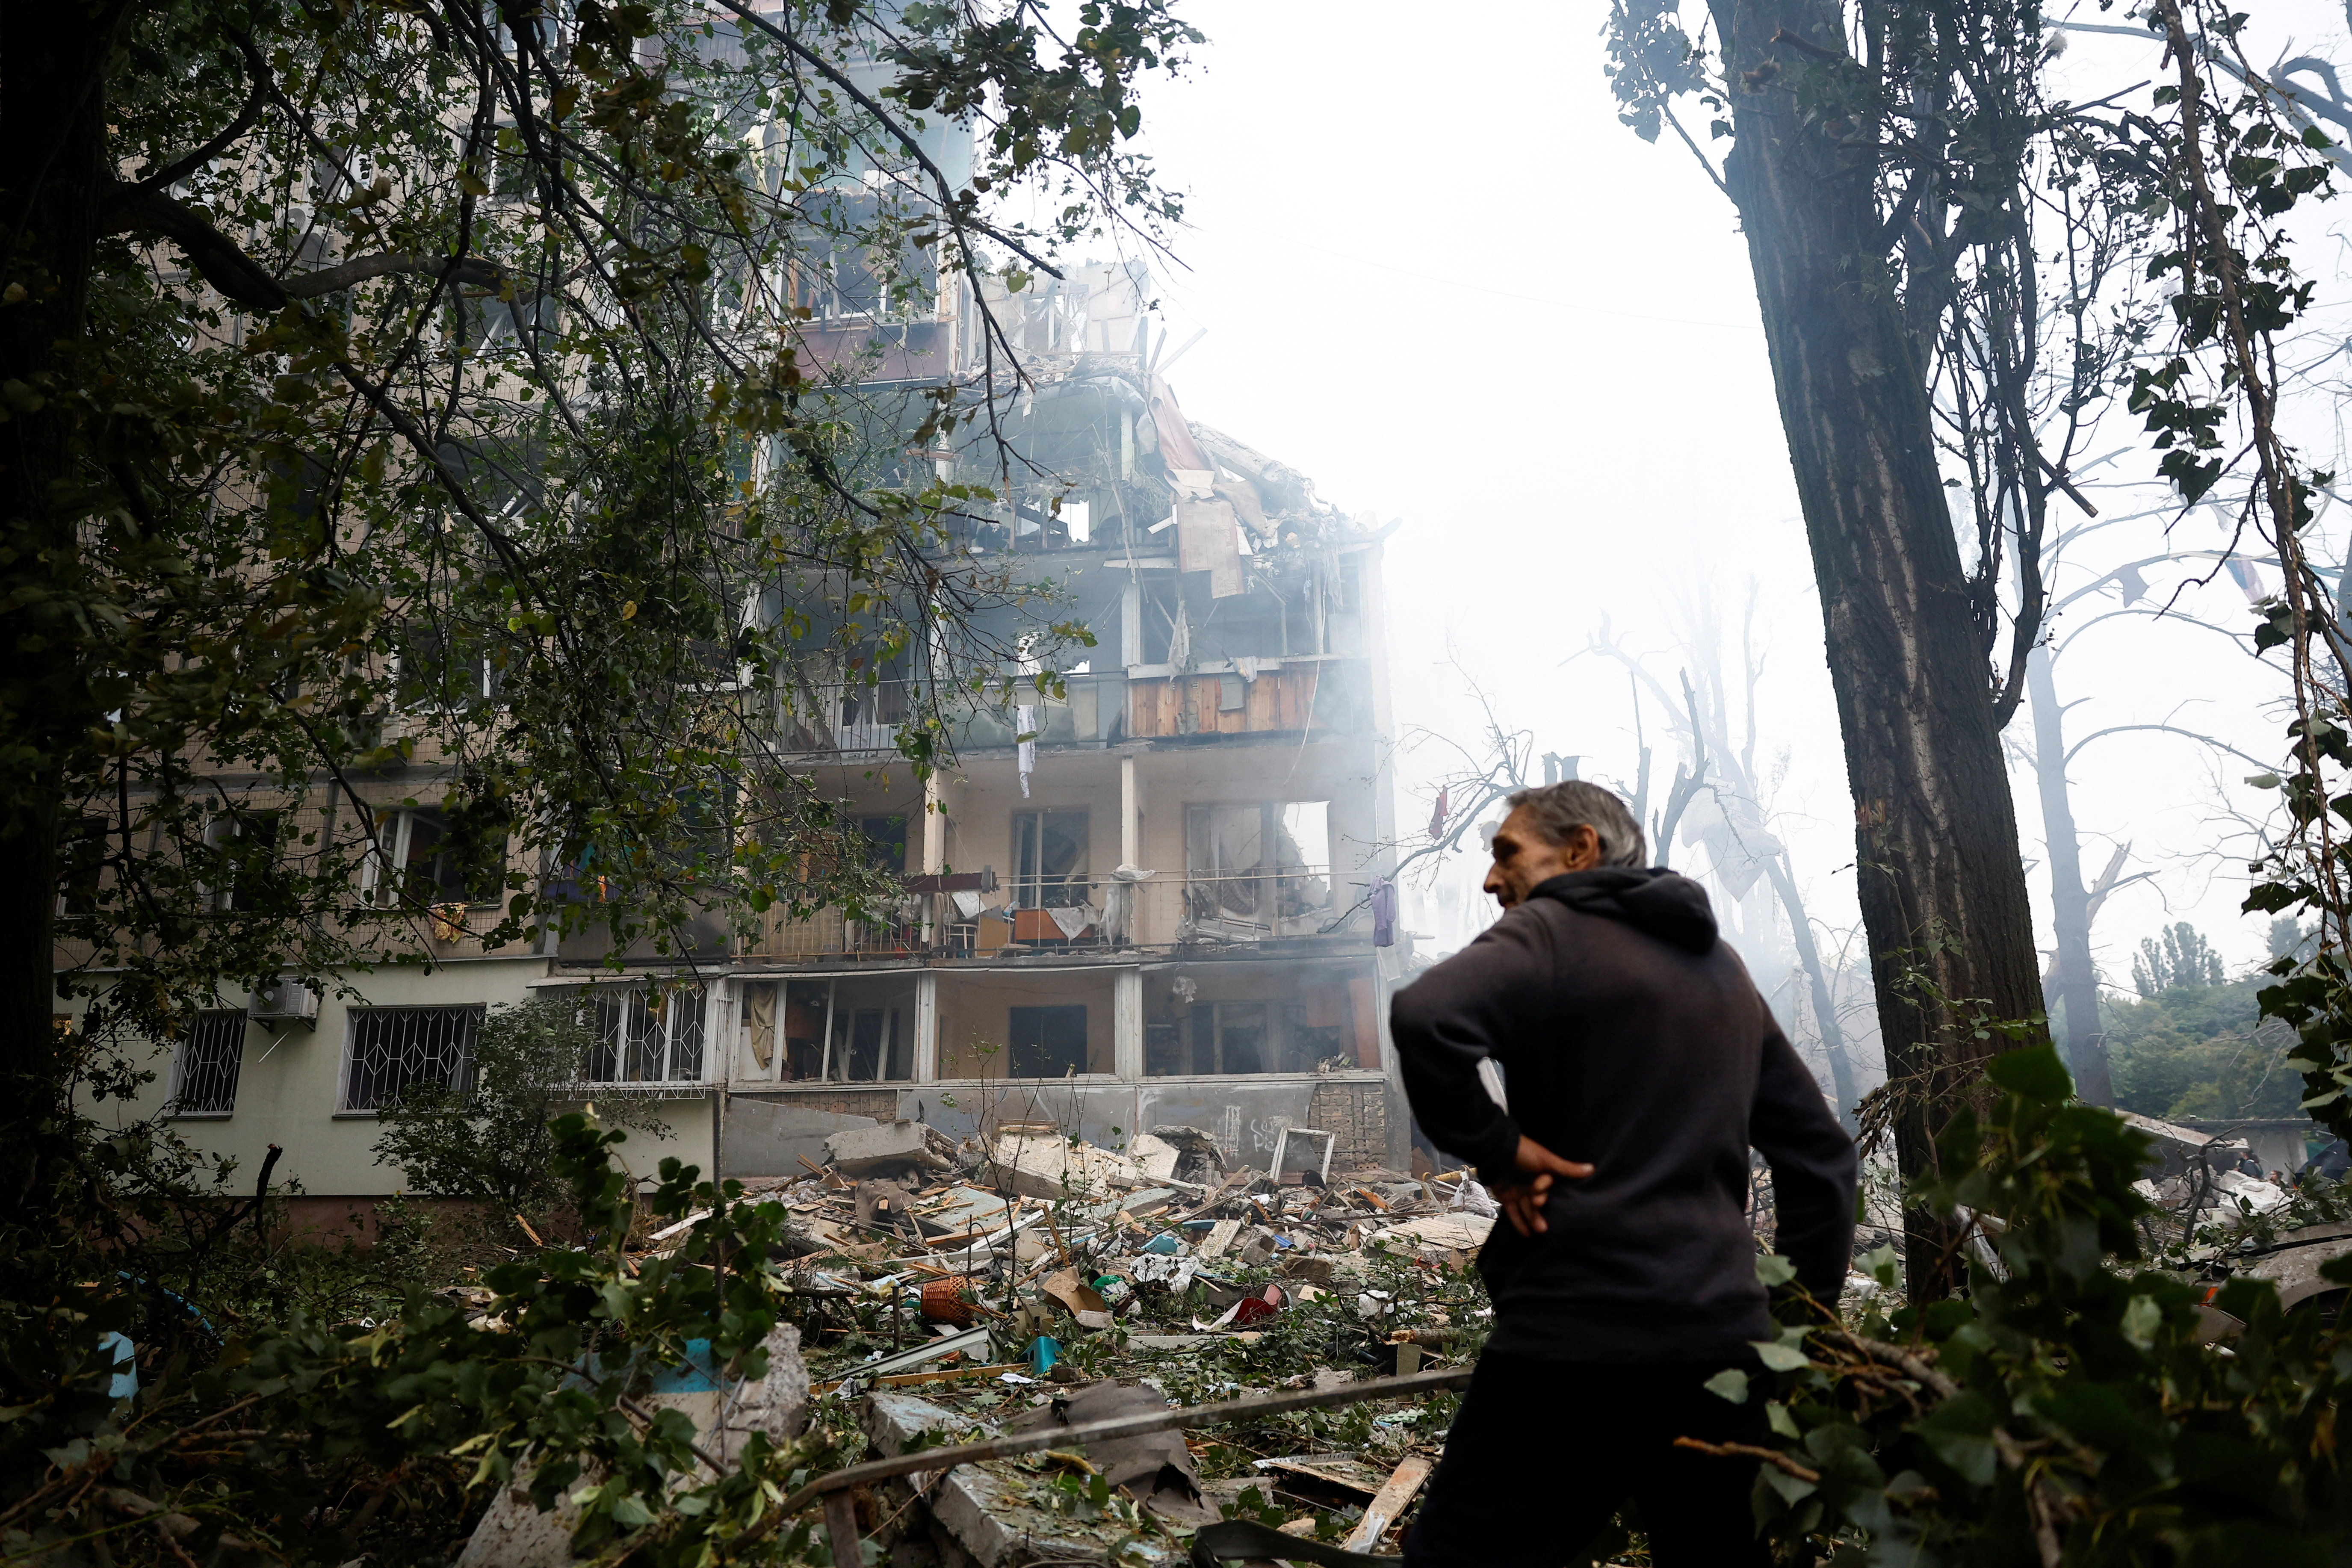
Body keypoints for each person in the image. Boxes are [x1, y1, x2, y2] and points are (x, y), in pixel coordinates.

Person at [1391, 782, 1858, 1568]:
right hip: (1722, 1350)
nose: (1490, 879)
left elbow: (1424, 1016)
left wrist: (1497, 1149)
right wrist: (1793, 1332)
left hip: (1573, 1343)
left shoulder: (1551, 931)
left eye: (1508, 853)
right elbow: (1822, 1156)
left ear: (1579, 850)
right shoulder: (1721, 970)